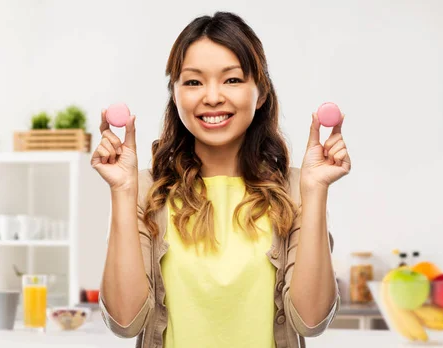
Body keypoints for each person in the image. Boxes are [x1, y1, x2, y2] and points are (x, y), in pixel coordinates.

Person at [91, 11, 351, 348]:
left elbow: (311, 321)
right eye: (194, 82)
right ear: (176, 95)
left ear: (260, 94)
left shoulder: (296, 191)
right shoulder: (144, 191)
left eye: (232, 80)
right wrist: (123, 192)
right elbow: (125, 322)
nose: (212, 97)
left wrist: (316, 192)